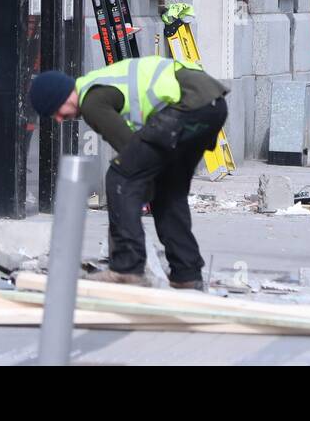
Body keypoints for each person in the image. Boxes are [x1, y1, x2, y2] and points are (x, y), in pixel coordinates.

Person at [28, 56, 228, 289]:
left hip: (189, 105)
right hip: (210, 106)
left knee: (120, 177)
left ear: (62, 96)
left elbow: (128, 148)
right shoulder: (97, 86)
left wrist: (138, 189)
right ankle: (186, 273)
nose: (60, 120)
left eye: (56, 112)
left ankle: (126, 267)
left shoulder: (91, 100)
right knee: (168, 190)